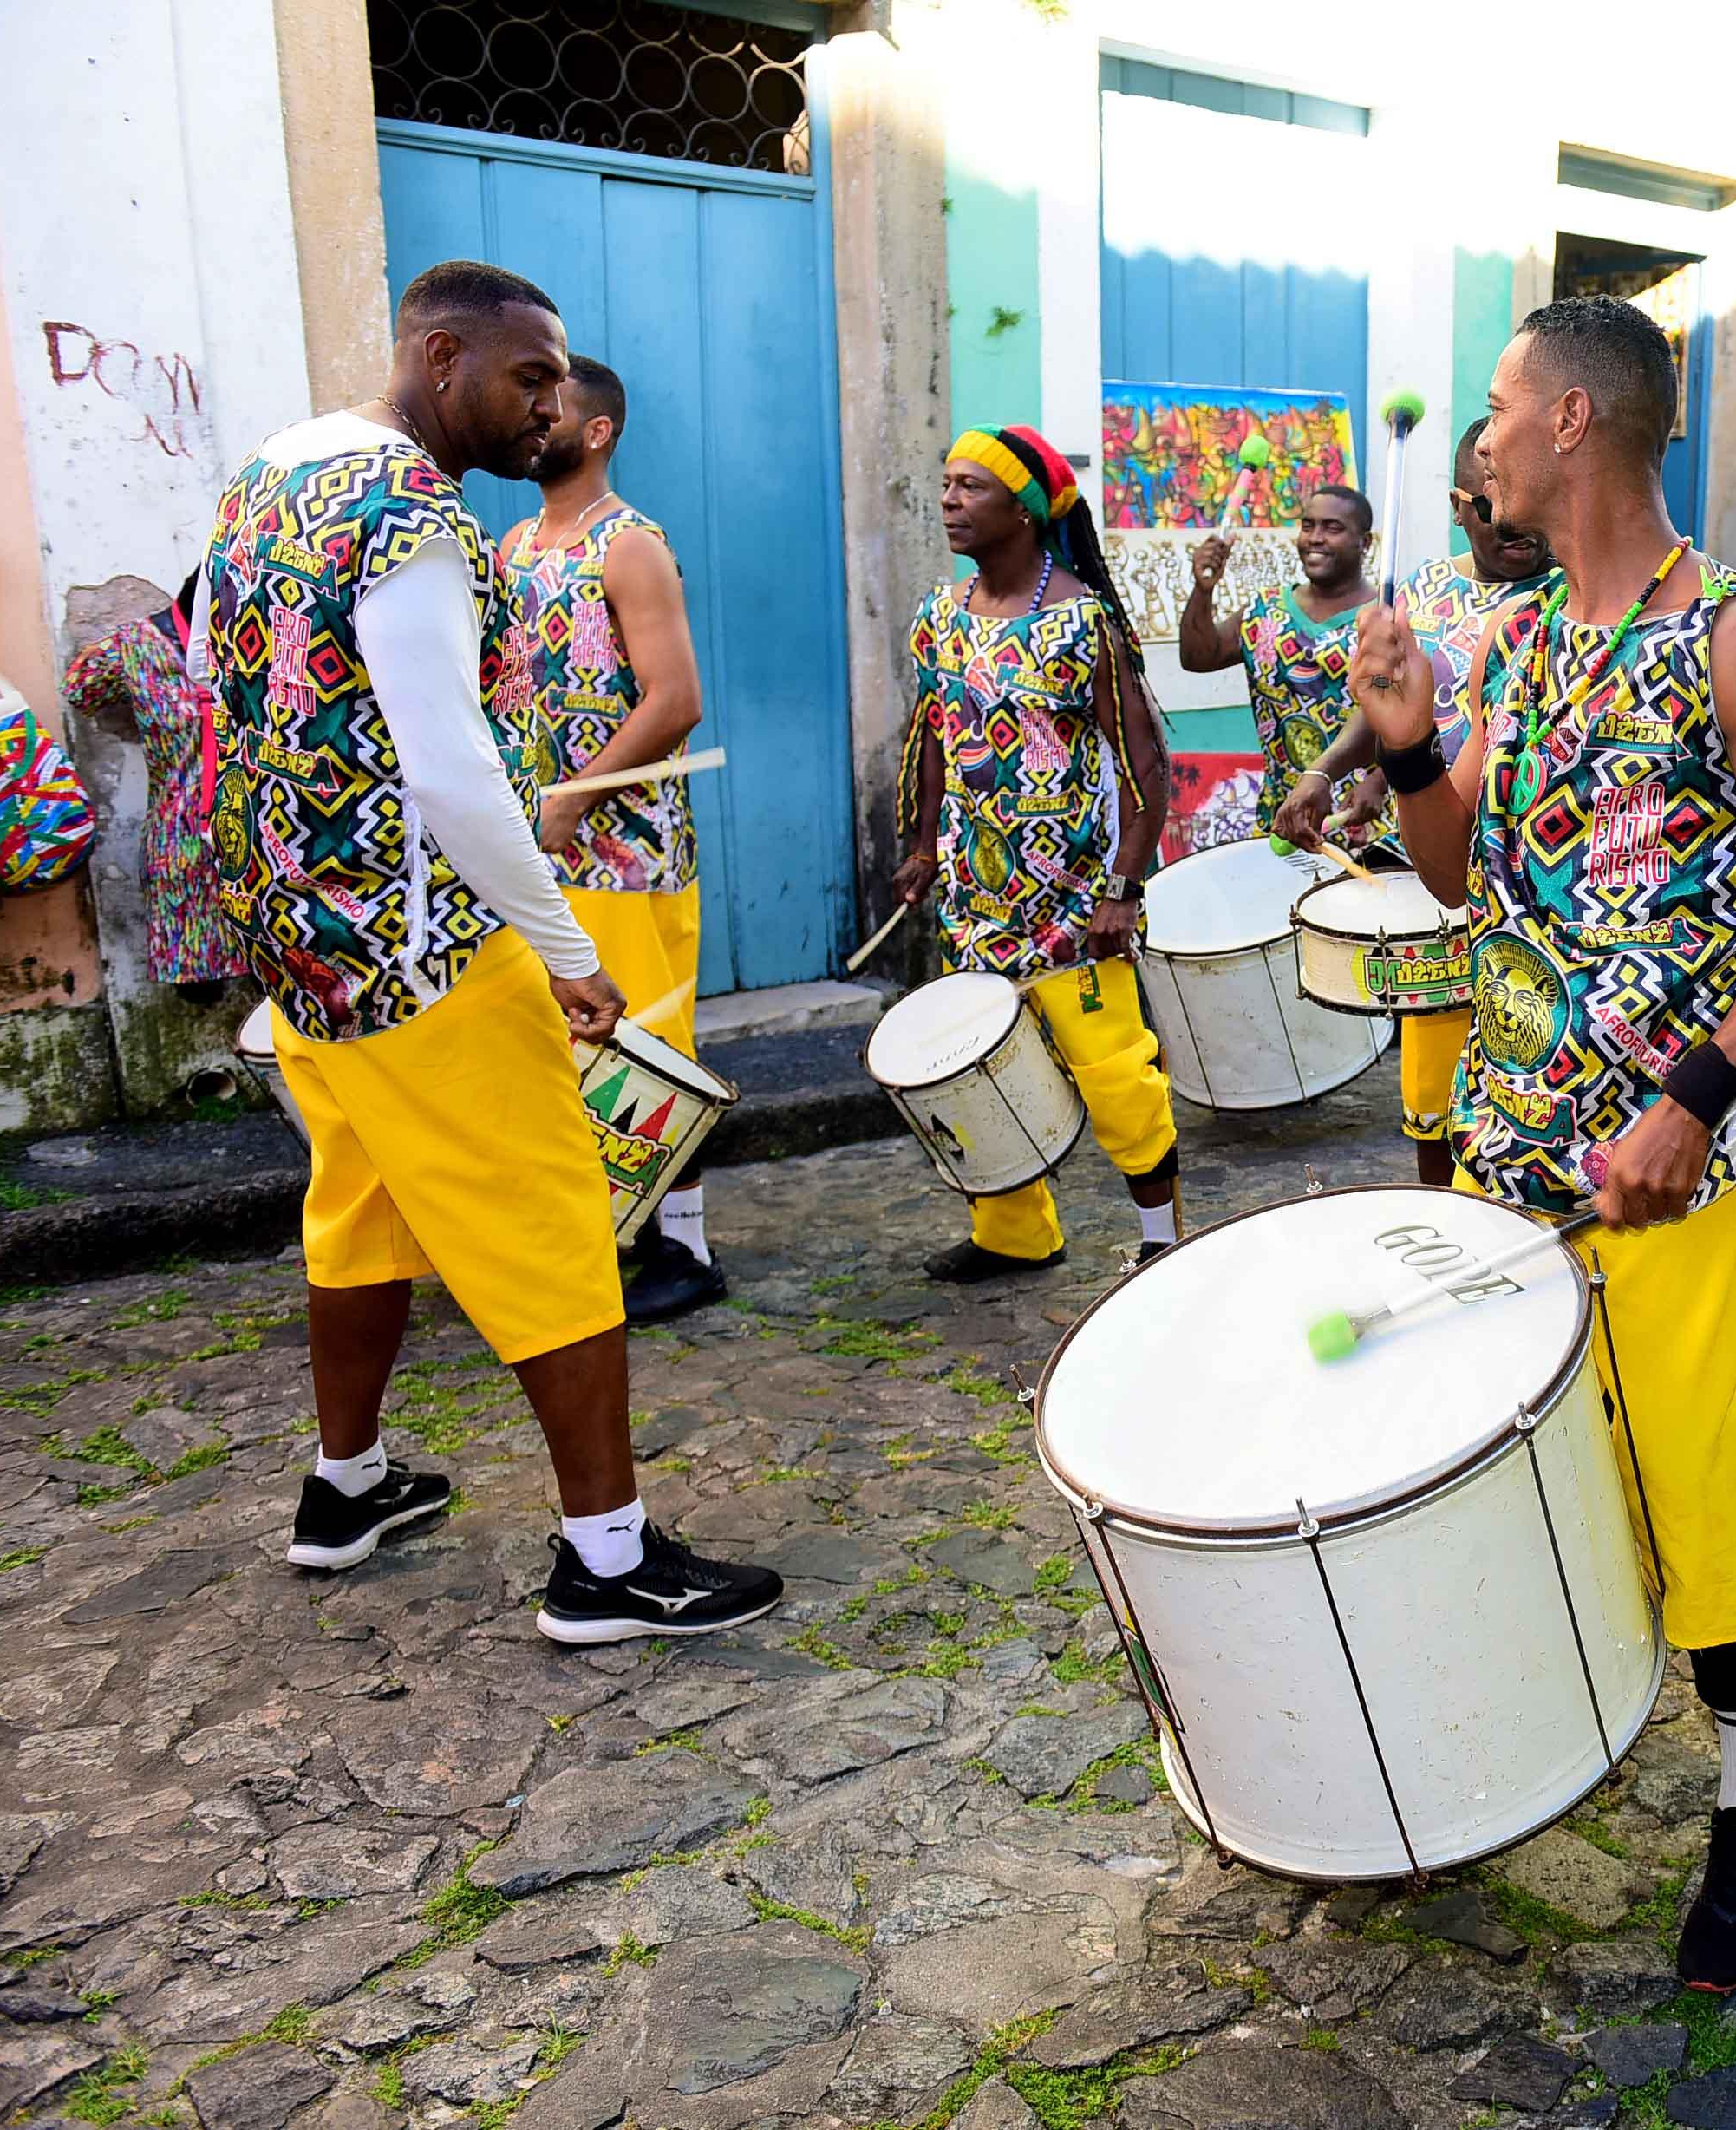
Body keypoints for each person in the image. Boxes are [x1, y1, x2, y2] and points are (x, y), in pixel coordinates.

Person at [1347, 295, 1736, 1990]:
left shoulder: (1731, 637)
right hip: (1512, 1141)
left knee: (1688, 1457)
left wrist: (1694, 1096)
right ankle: (1536, 1722)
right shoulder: (1516, 640)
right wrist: (1412, 735)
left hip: (1672, 1159)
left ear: (1572, 420)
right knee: (1536, 1450)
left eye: (1500, 407)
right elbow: (1453, 878)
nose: (1481, 439)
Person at [204, 260, 779, 1642]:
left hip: (301, 944)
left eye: (562, 387)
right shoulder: (411, 510)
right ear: (442, 354)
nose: (551, 407)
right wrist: (566, 947)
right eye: (529, 379)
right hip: (415, 949)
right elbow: (452, 771)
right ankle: (608, 1562)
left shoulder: (273, 468)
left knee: (359, 1210)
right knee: (555, 1224)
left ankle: (346, 1490)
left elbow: (230, 698)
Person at [895, 422, 1181, 1282]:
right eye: (944, 484)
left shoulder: (1078, 623)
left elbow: (1145, 764)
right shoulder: (939, 616)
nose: (949, 500)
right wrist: (919, 842)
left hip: (1069, 908)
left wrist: (1121, 891)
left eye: (969, 486)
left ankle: (1162, 1238)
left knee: (1114, 1075)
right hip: (970, 902)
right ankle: (1014, 1232)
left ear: (1022, 510)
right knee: (974, 1072)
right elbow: (932, 736)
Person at [493, 356, 721, 1323]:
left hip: (628, 853)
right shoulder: (511, 543)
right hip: (537, 849)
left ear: (599, 432)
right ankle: (603, 1236)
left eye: (554, 410)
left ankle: (687, 1245)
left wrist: (575, 798)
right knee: (562, 1052)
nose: (533, 419)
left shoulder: (628, 545)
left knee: (647, 1047)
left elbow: (677, 698)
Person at [1275, 419, 1553, 1186]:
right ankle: (1446, 1217)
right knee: (1432, 1095)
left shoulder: (1580, 599)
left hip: (1536, 883)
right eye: (1488, 505)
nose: (1513, 523)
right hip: (1436, 864)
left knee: (1529, 1085)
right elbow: (1386, 706)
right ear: (1461, 504)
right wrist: (1330, 772)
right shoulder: (1429, 589)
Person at [1185, 483, 1380, 838]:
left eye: (1332, 528)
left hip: (1363, 820)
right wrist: (1203, 588)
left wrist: (1381, 782)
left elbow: (1423, 719)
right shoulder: (1267, 612)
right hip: (1284, 822)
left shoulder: (1386, 617)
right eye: (1308, 526)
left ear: (1364, 543)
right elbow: (1199, 656)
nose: (1315, 538)